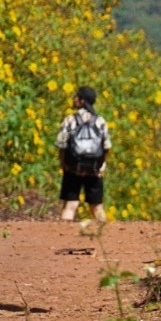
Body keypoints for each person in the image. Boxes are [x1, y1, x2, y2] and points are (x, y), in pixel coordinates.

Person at [54, 86, 112, 222]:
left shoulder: (70, 120)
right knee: (97, 207)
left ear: (81, 101)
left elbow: (61, 144)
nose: (74, 99)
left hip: (72, 169)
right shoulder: (100, 121)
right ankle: (106, 238)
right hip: (94, 170)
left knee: (70, 205)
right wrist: (102, 165)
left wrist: (63, 163)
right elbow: (107, 146)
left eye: (76, 97)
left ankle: (63, 236)